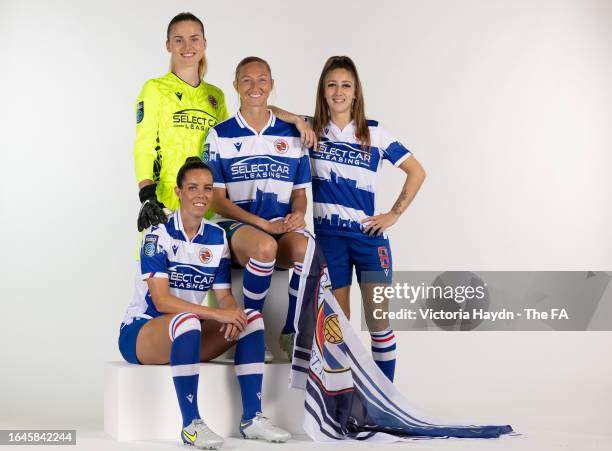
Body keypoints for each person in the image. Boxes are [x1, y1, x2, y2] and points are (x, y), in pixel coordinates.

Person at [119, 158, 291, 449]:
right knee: (187, 321)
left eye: (208, 188)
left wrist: (232, 312)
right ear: (178, 192)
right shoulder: (156, 234)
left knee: (250, 319)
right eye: (193, 187)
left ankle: (252, 418)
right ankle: (191, 425)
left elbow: (223, 295)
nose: (201, 195)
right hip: (142, 331)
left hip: (188, 331)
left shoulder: (217, 236)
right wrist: (216, 314)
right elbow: (161, 302)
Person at [134, 13, 314, 232]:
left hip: (211, 206)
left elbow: (251, 112)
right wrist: (147, 196)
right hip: (168, 201)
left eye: (194, 38)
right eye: (178, 39)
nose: (187, 46)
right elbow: (144, 147)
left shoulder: (215, 95)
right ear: (168, 45)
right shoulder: (154, 89)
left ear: (204, 43)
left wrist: (295, 119)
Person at [309, 56, 426, 382]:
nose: (339, 91)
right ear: (323, 90)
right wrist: (299, 121)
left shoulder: (375, 132)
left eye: (346, 85)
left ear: (356, 91)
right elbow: (274, 114)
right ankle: (342, 400)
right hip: (330, 240)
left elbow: (417, 171)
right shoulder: (312, 131)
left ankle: (385, 401)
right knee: (338, 324)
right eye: (331, 84)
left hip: (368, 239)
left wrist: (393, 214)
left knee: (378, 321)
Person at [205, 57, 311, 361]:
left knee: (308, 251)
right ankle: (250, 328)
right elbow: (216, 200)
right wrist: (262, 225)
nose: (255, 86)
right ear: (236, 85)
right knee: (265, 247)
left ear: (272, 84)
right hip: (234, 226)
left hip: (279, 224)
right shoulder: (220, 134)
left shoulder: (292, 134)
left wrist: (299, 215)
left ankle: (291, 331)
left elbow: (300, 193)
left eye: (262, 79)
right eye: (247, 80)